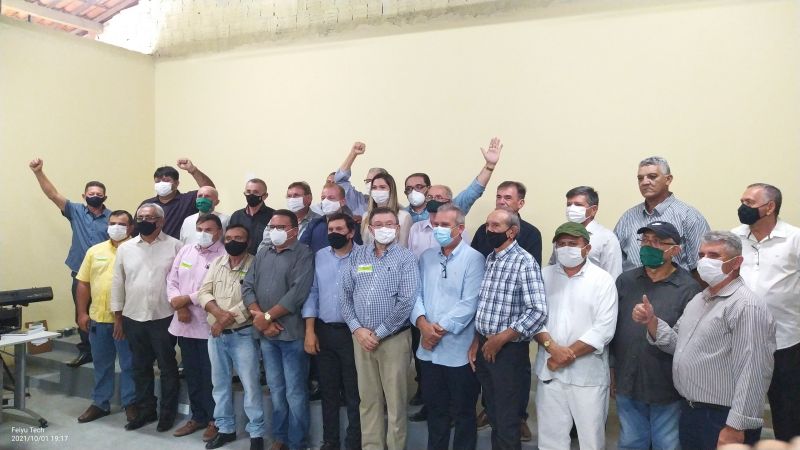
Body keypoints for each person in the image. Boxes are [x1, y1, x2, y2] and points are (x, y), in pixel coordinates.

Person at [634, 231, 776, 449]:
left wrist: (735, 427)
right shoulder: (700, 299)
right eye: (701, 255)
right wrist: (651, 321)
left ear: (736, 262)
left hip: (724, 418)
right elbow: (677, 345)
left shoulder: (746, 306)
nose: (704, 261)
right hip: (691, 411)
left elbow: (753, 371)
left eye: (714, 255)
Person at [610, 221, 701, 450]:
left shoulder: (689, 289)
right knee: (630, 442)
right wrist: (612, 369)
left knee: (666, 444)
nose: (649, 246)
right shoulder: (625, 281)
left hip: (666, 385)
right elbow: (614, 330)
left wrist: (652, 322)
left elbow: (686, 342)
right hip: (627, 379)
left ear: (675, 250)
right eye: (646, 240)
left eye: (658, 242)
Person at [340, 207, 419, 450]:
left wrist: (379, 333)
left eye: (389, 224)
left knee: (395, 403)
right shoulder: (357, 256)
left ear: (397, 228)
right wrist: (357, 329)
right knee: (368, 400)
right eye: (378, 224)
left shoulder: (406, 258)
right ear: (370, 229)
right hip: (361, 339)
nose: (384, 228)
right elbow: (344, 296)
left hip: (393, 339)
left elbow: (407, 301)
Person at [533, 222, 618, 450]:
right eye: (561, 244)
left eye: (572, 243)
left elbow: (604, 328)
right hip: (550, 372)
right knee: (550, 441)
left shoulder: (602, 280)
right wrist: (553, 349)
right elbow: (534, 317)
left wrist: (565, 355)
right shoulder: (543, 276)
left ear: (587, 248)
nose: (566, 248)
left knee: (591, 440)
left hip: (587, 375)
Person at [469, 207, 548, 450]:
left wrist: (501, 338)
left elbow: (538, 311)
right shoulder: (491, 259)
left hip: (508, 352)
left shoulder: (524, 262)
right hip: (485, 346)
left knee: (507, 418)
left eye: (495, 226)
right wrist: (478, 341)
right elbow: (485, 305)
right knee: (493, 412)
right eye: (487, 225)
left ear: (512, 232)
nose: (488, 230)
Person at [411, 204, 485, 450]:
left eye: (445, 225)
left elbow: (470, 303)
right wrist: (423, 325)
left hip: (459, 352)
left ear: (460, 228)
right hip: (429, 351)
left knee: (463, 413)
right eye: (436, 225)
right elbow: (415, 295)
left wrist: (437, 331)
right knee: (436, 411)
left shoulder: (474, 259)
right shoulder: (427, 257)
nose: (438, 229)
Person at [732, 183, 800, 442]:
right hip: (742, 341)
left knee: (788, 415)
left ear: (770, 207)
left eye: (749, 203)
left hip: (785, 343)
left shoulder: (794, 238)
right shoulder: (733, 238)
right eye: (742, 201)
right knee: (743, 415)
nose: (742, 207)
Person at [243, 210, 315, 450]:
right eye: (272, 227)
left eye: (281, 227)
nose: (275, 231)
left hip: (291, 334)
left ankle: (297, 443)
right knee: (275, 389)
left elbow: (297, 293)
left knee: (295, 392)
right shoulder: (263, 252)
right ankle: (280, 438)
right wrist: (261, 318)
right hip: (267, 335)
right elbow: (247, 287)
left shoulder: (304, 253)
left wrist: (266, 317)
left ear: (294, 230)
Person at [29, 157, 111, 367]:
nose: (94, 196)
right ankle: (87, 351)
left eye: (98, 194)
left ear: (105, 197)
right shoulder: (75, 211)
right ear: (84, 196)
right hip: (80, 272)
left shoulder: (113, 218)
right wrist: (38, 172)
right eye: (91, 194)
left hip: (105, 274)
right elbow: (52, 194)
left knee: (107, 312)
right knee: (81, 312)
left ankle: (108, 349)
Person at [110, 204, 183, 431]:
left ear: (160, 221)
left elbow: (181, 280)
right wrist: (118, 317)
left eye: (149, 217)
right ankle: (146, 411)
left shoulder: (176, 246)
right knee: (140, 367)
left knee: (167, 367)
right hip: (133, 316)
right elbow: (118, 282)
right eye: (140, 217)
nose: (144, 221)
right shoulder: (126, 248)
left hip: (164, 316)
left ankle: (167, 414)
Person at [198, 224, 266, 450]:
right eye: (228, 238)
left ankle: (256, 434)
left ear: (248, 242)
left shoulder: (256, 264)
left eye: (238, 238)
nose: (232, 241)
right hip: (216, 336)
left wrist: (224, 320)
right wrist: (218, 315)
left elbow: (255, 298)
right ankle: (225, 429)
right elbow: (204, 292)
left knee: (251, 385)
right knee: (219, 385)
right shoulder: (217, 262)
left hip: (243, 334)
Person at [302, 213, 362, 450]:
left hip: (353, 334)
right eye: (330, 230)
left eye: (339, 229)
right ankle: (330, 441)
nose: (333, 233)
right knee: (328, 390)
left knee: (354, 391)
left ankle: (354, 442)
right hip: (324, 331)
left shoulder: (365, 256)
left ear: (351, 232)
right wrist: (310, 330)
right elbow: (312, 293)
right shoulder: (320, 256)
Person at [166, 214, 227, 441]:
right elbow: (172, 280)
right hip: (184, 322)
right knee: (192, 373)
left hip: (209, 323)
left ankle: (214, 419)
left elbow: (212, 288)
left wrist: (186, 300)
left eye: (208, 229)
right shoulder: (186, 250)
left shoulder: (224, 255)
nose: (203, 233)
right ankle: (197, 416)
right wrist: (179, 304)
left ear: (219, 232)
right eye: (200, 229)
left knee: (212, 376)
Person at [74, 210, 136, 424]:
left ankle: (131, 403)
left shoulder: (137, 250)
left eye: (122, 224)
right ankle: (100, 403)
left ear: (131, 228)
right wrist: (82, 312)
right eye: (112, 223)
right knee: (101, 364)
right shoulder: (95, 251)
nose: (116, 227)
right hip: (98, 320)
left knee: (130, 365)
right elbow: (83, 283)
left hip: (128, 321)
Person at [614, 156, 709, 275]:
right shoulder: (628, 217)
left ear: (668, 179)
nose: (645, 182)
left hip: (674, 286)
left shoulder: (689, 216)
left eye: (652, 176)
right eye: (640, 178)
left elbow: (701, 268)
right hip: (631, 285)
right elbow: (615, 261)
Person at [402, 137, 503, 223]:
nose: (414, 191)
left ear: (428, 189)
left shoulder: (450, 208)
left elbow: (473, 191)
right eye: (409, 189)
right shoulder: (402, 215)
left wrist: (489, 166)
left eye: (419, 187)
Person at [548, 186, 622, 278]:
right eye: (569, 204)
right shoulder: (561, 235)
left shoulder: (607, 238)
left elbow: (613, 276)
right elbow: (553, 267)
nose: (571, 208)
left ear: (593, 210)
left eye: (578, 205)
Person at [140, 159, 216, 239]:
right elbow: (137, 230)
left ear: (176, 183)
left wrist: (193, 170)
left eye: (166, 180)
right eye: (157, 181)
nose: (161, 184)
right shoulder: (147, 205)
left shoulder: (188, 200)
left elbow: (210, 190)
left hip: (181, 246)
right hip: (151, 245)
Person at [407, 185, 472, 259]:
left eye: (439, 197)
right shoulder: (416, 228)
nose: (433, 200)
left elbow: (466, 257)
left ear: (449, 202)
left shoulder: (457, 230)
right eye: (429, 197)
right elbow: (410, 257)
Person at [257, 182, 321, 253]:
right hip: (274, 257)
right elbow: (265, 245)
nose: (292, 199)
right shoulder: (278, 219)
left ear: (309, 198)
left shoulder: (318, 221)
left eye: (296, 195)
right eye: (289, 196)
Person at [299, 182, 362, 253]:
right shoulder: (314, 224)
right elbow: (300, 249)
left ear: (343, 202)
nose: (325, 201)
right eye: (323, 198)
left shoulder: (354, 225)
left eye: (331, 198)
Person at [333, 141, 386, 217]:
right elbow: (340, 181)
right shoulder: (359, 201)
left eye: (375, 180)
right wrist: (353, 154)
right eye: (368, 181)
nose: (372, 184)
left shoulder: (399, 210)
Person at [360, 172, 412, 247]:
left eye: (382, 187)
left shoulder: (404, 216)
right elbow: (365, 244)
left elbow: (404, 246)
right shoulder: (366, 216)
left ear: (391, 190)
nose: (377, 190)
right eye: (374, 187)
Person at [229, 178, 275, 255]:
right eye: (248, 191)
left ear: (265, 196)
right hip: (240, 258)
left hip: (263, 259)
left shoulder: (274, 216)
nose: (251, 195)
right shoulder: (236, 216)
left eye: (256, 192)